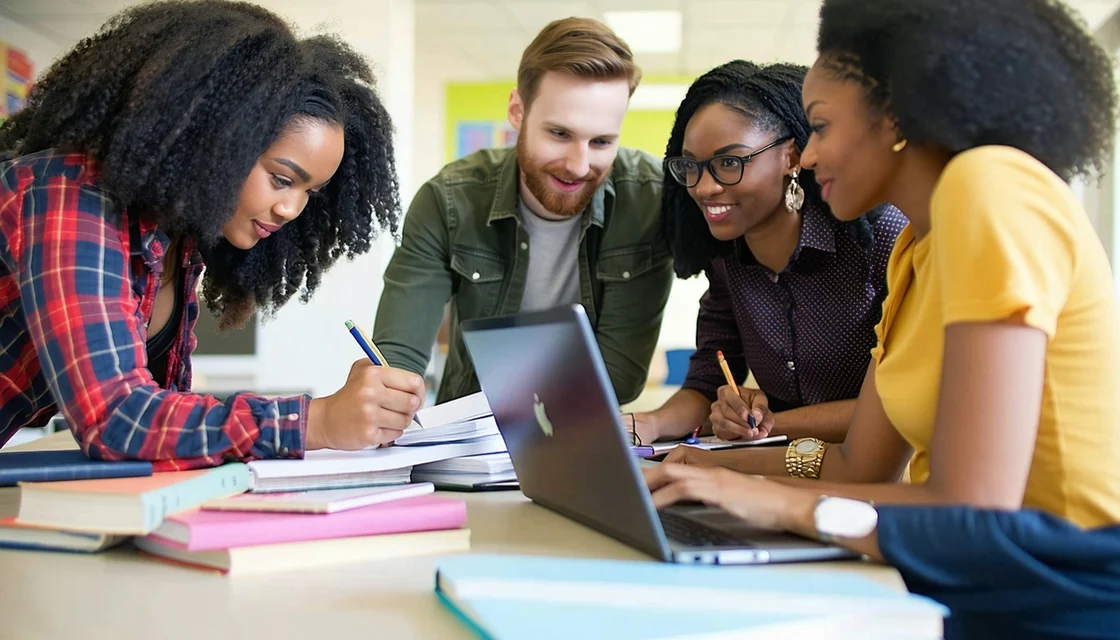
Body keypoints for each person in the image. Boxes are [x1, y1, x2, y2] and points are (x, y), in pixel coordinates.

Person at [648, 0, 1120, 540]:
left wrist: (777, 503)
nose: (807, 157)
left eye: (821, 125)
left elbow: (977, 515)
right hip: (973, 573)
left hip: (1067, 576)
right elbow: (858, 468)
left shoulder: (990, 184)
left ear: (895, 112)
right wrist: (707, 471)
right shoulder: (914, 253)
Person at [0, 0, 425, 470]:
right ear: (216, 139)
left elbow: (158, 435)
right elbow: (116, 418)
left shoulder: (177, 243)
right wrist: (318, 421)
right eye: (282, 179)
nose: (291, 209)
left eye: (312, 192)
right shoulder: (68, 196)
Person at [372, 17, 673, 405]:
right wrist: (386, 398)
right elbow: (394, 365)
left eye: (600, 141)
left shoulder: (650, 202)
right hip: (469, 442)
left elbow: (618, 379)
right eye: (560, 134)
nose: (578, 166)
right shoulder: (448, 201)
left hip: (583, 431)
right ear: (517, 111)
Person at [628, 61, 906, 447]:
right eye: (692, 166)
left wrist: (768, 422)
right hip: (779, 468)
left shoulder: (880, 236)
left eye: (729, 162)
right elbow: (707, 382)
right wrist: (647, 424)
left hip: (885, 476)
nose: (705, 188)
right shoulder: (725, 258)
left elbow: (905, 404)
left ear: (791, 157)